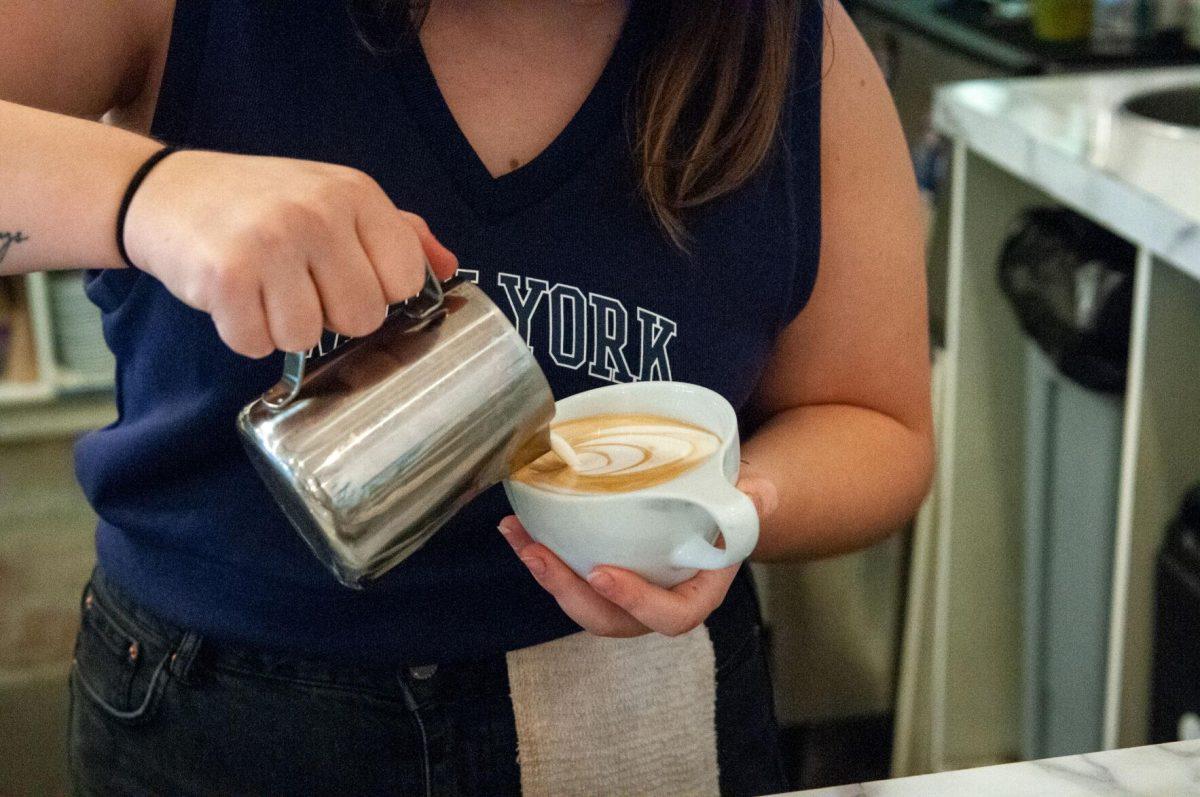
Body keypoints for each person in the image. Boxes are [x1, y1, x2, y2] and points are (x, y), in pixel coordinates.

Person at [0, 0, 933, 794]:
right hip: (217, 697)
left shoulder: (790, 45)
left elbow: (874, 421)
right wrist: (152, 195)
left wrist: (721, 510)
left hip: (637, 702)